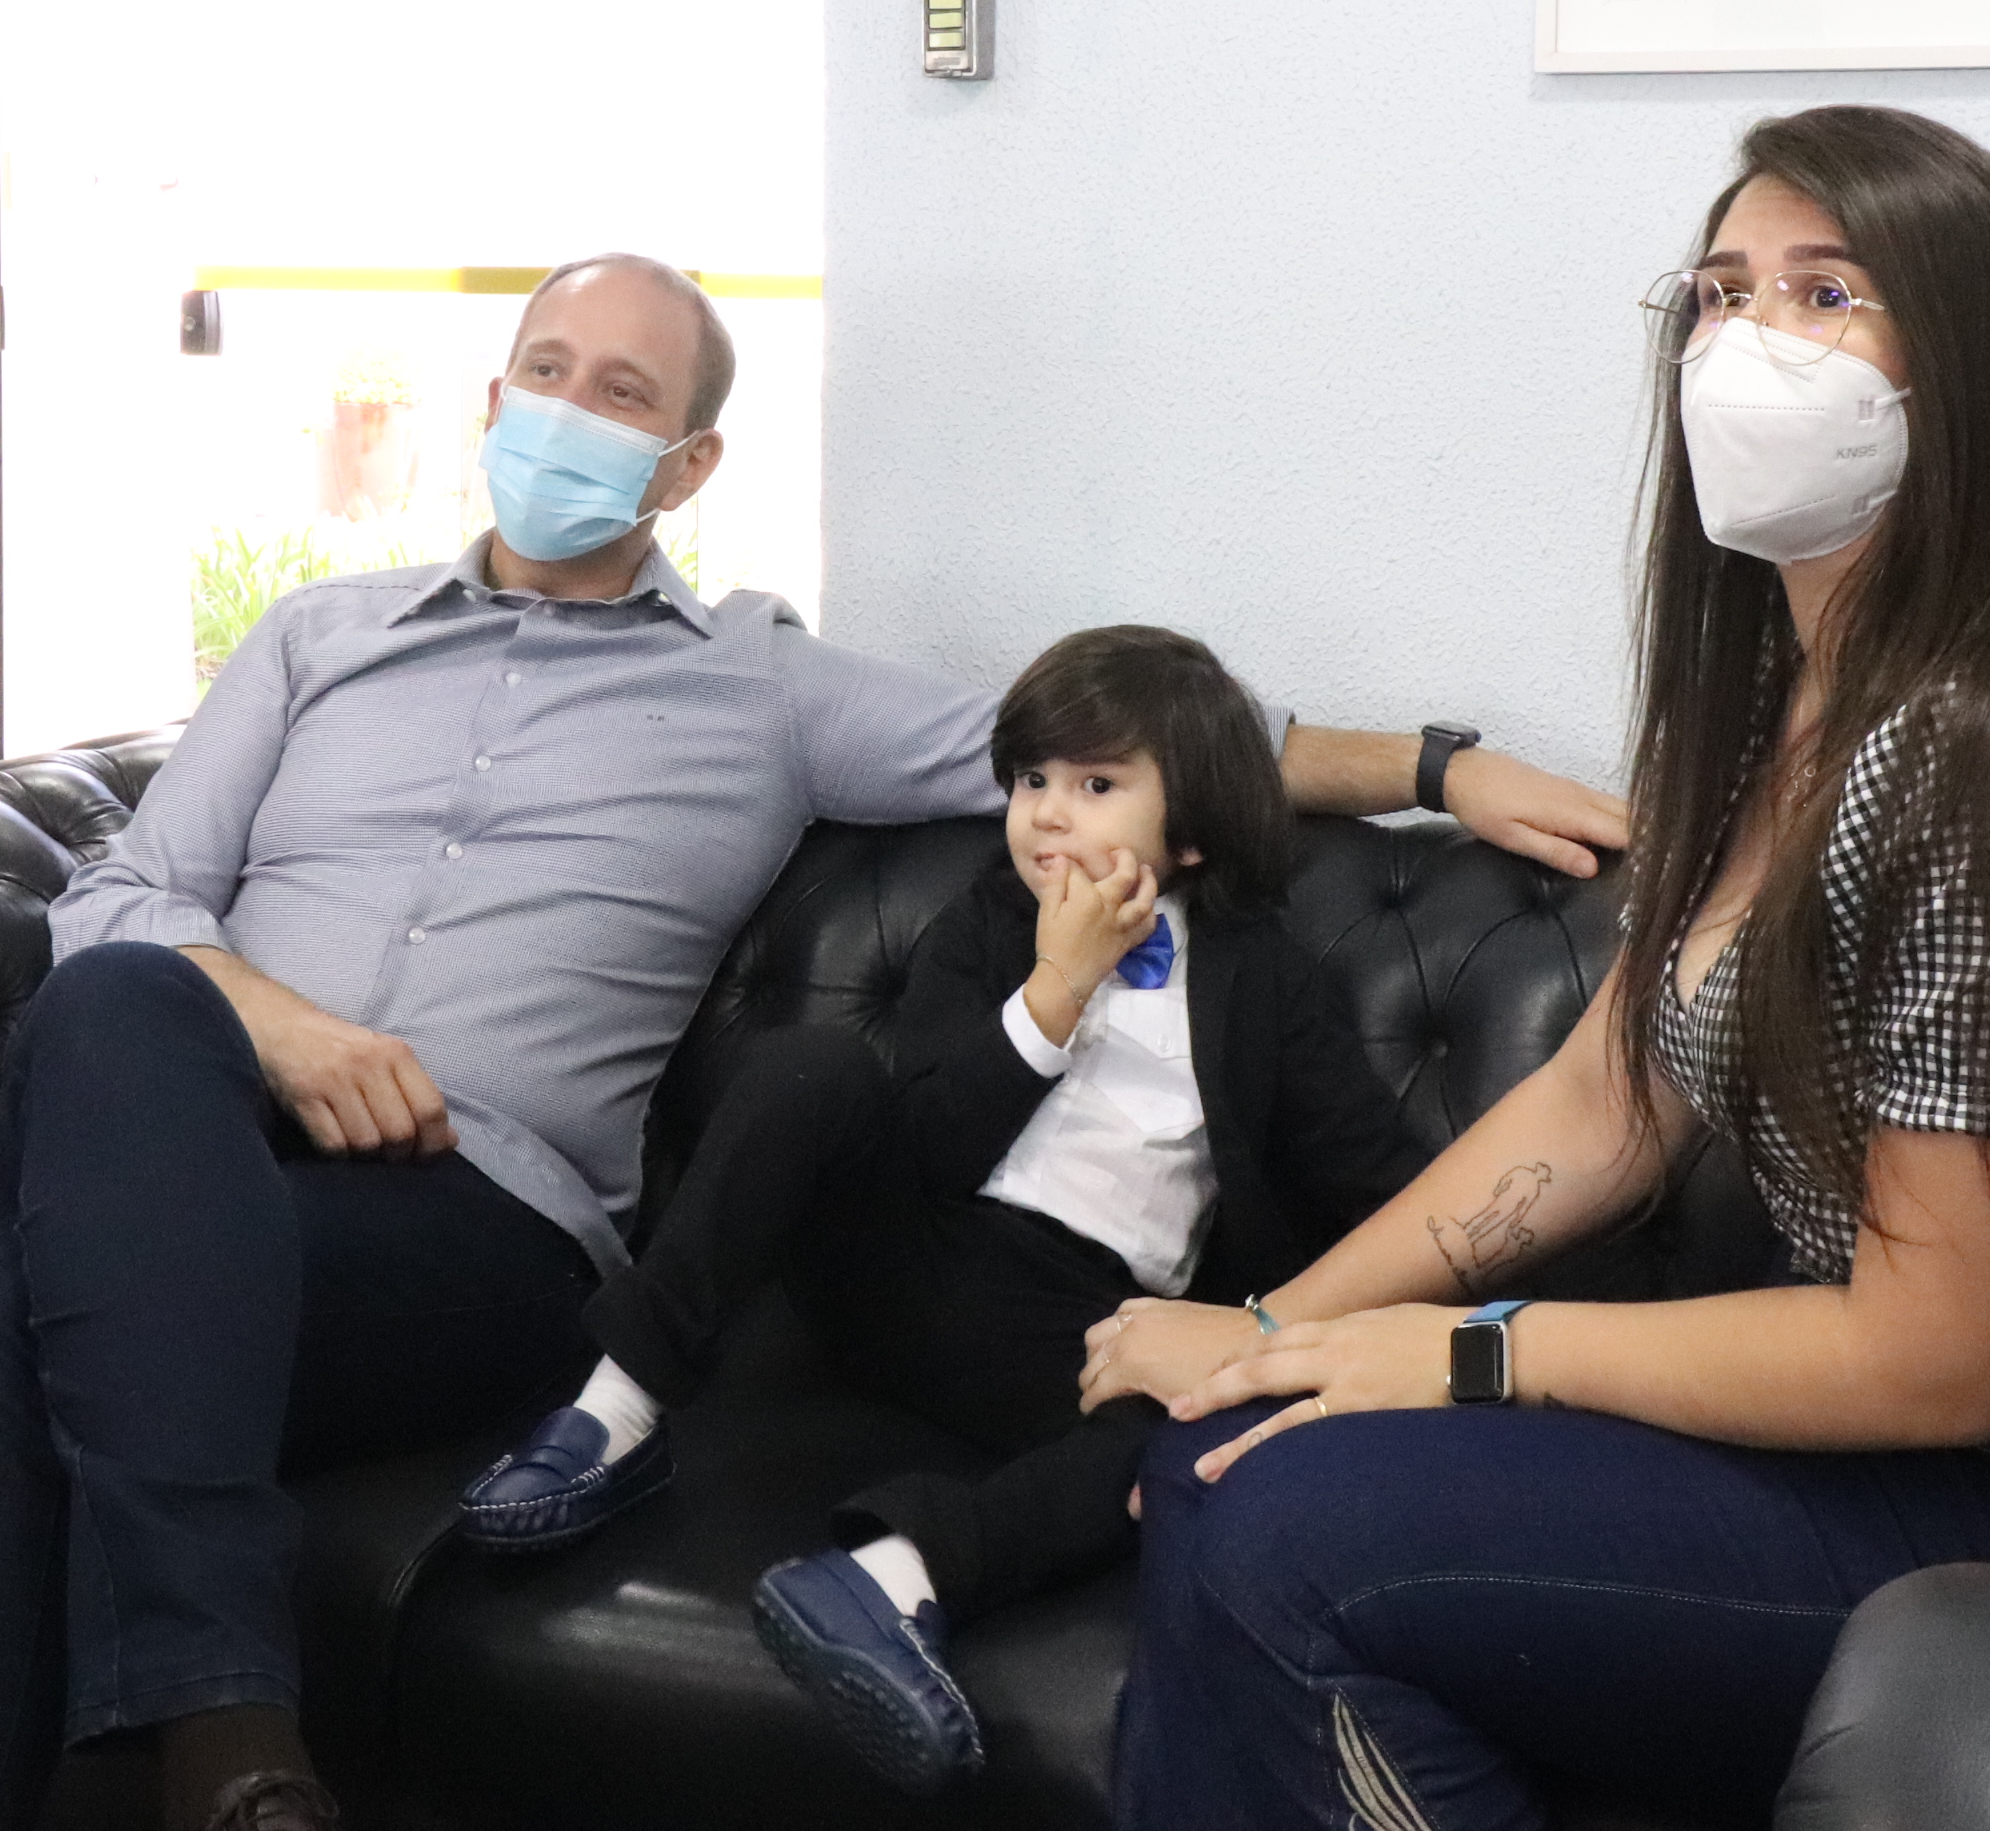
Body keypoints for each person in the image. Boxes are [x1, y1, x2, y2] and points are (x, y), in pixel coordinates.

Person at [0, 253, 1628, 1831]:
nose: (565, 412)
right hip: (200, 1151)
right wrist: (281, 1031)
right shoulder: (315, 637)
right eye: (542, 371)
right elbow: (121, 897)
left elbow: (1136, 757)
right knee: (114, 1024)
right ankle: (226, 1730)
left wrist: (1440, 763)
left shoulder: (762, 683)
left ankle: (198, 1705)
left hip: (467, 1227)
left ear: (688, 463)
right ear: (490, 399)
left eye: (621, 394)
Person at [1079, 107, 1990, 1831]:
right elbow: (1606, 1101)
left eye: (1826, 295)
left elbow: (1937, 1358)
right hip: (1914, 1441)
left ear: (1971, 366)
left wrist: (1469, 1350)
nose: (1752, 342)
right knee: (1222, 1446)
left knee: (1272, 1533)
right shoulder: (1765, 702)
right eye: (1724, 293)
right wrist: (1274, 1331)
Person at [451, 622, 1425, 1791]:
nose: (1047, 814)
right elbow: (930, 1141)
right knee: (814, 1069)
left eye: (1096, 786)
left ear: (1194, 829)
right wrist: (1056, 988)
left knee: (1195, 1432)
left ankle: (888, 1581)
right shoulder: (987, 926)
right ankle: (615, 1410)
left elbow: (1379, 1182)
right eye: (1031, 780)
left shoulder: (1263, 980)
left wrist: (1423, 1310)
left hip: (1081, 1322)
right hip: (909, 1253)